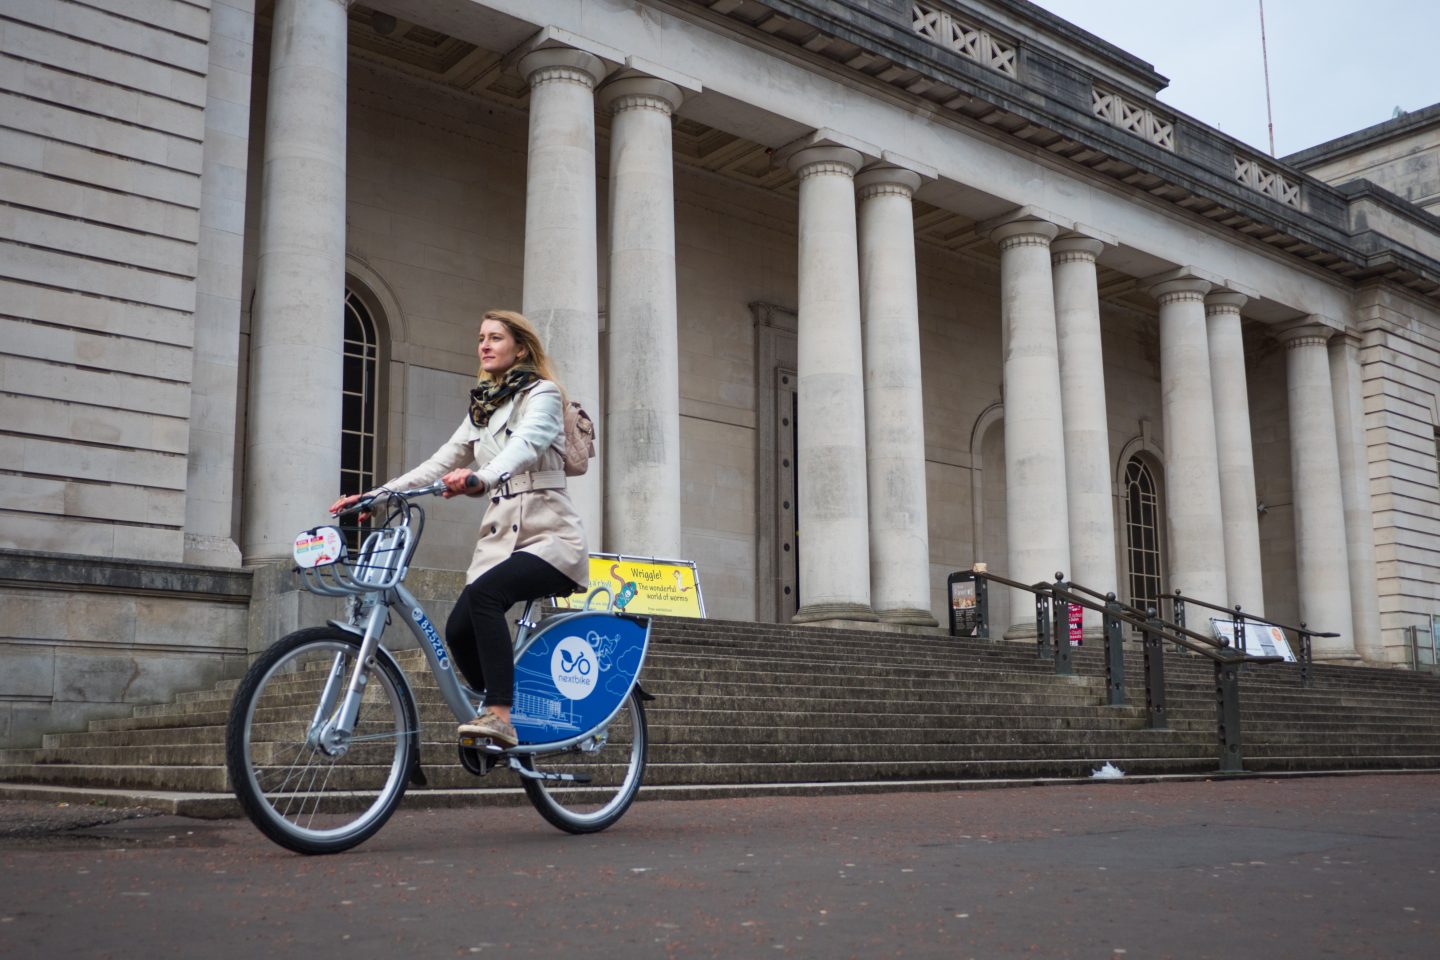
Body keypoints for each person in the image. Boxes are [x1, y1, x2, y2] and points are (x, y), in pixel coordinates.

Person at [329, 309, 588, 748]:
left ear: (520, 348)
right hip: (499, 540)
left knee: (487, 597)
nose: (484, 345)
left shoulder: (541, 394)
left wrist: (482, 477)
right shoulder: (484, 406)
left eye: (496, 338)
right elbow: (442, 460)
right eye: (481, 337)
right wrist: (377, 496)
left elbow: (525, 446)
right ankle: (497, 709)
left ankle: (501, 715)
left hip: (550, 539)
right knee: (458, 630)